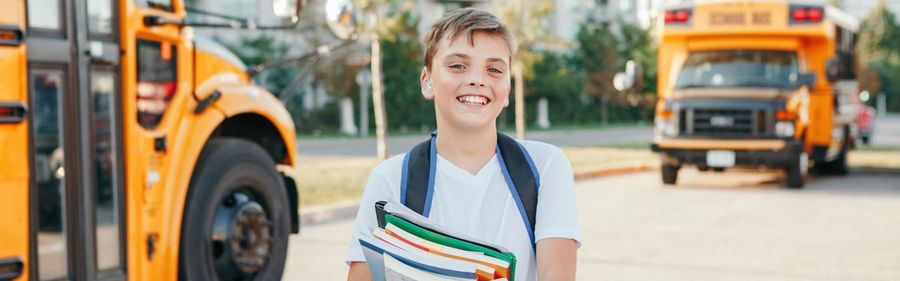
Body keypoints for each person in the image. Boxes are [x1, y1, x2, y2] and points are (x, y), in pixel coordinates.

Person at [345, 8, 581, 281]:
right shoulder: (391, 180)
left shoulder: (545, 167)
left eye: (494, 69)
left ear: (507, 90)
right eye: (457, 65)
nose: (477, 79)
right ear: (427, 81)